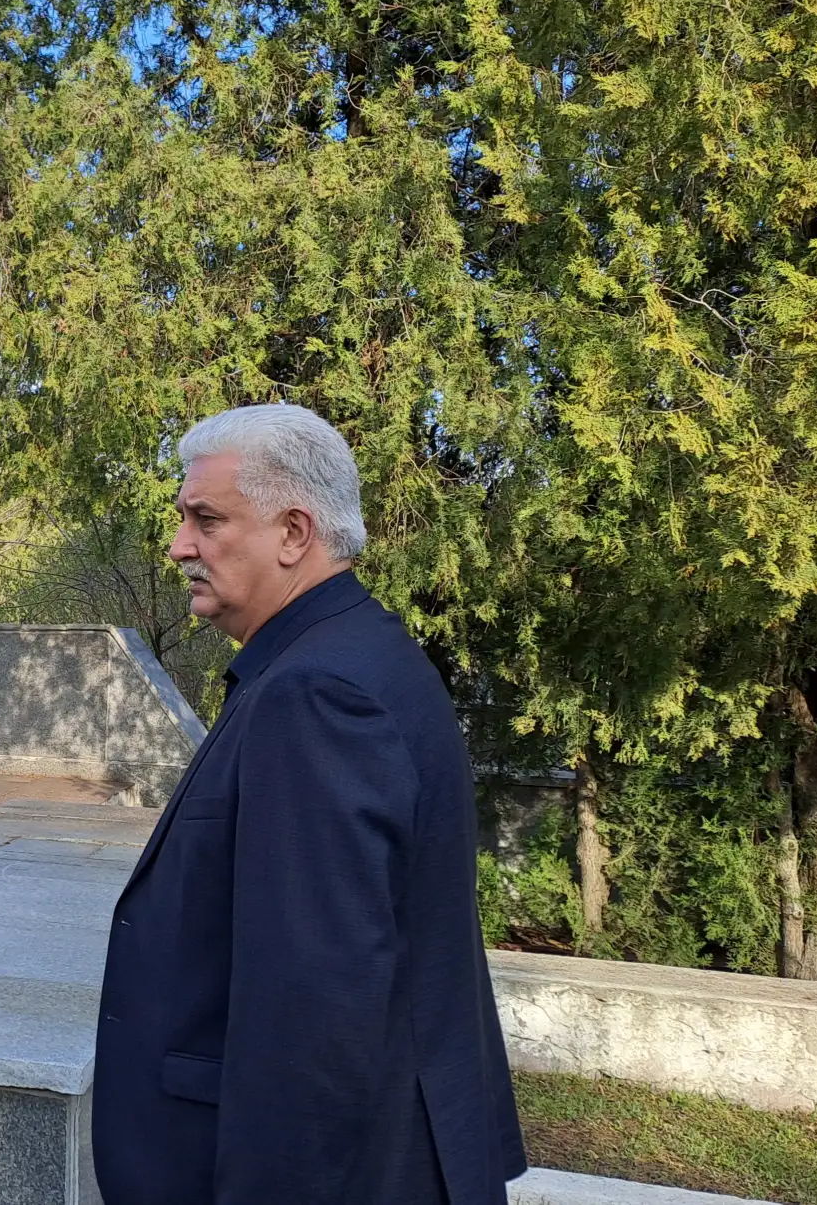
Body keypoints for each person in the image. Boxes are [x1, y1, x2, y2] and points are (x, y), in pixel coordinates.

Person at [93, 405, 525, 1205]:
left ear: (295, 532)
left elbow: (313, 1024)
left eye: (206, 518)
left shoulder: (317, 693)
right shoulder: (350, 652)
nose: (180, 545)